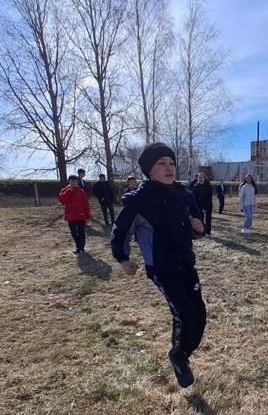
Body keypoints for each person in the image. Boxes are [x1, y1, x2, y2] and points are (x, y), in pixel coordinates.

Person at [111, 142, 205, 388]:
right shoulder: (139, 202)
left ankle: (182, 354)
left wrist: (199, 227)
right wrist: (124, 259)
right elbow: (119, 233)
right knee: (184, 314)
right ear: (149, 170)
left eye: (171, 163)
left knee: (199, 316)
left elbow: (196, 226)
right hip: (162, 269)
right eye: (161, 163)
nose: (169, 167)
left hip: (186, 263)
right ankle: (177, 355)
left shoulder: (185, 195)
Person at [58, 175, 91, 253]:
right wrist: (69, 191)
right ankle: (77, 245)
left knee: (81, 232)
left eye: (75, 181)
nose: (74, 183)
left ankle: (81, 247)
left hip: (81, 215)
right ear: (69, 181)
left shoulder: (81, 191)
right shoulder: (64, 190)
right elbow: (62, 200)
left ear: (77, 182)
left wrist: (87, 216)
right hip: (71, 215)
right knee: (73, 232)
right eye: (72, 181)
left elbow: (86, 204)